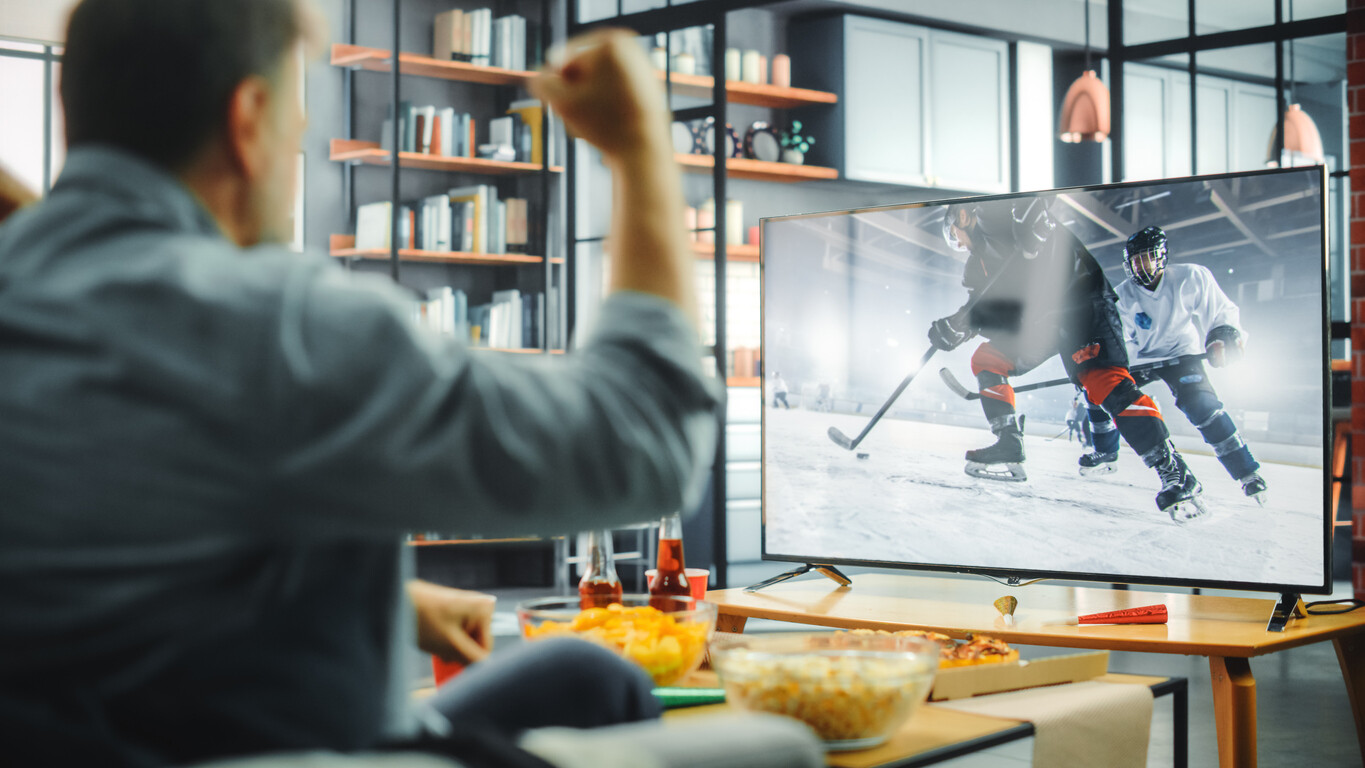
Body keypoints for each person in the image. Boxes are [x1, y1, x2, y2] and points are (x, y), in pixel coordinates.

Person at [0, 3, 728, 767]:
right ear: (248, 120)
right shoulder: (278, 327)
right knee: (771, 746)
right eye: (299, 119)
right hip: (301, 747)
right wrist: (642, 149)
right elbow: (644, 437)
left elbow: (112, 526)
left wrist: (396, 603)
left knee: (587, 676)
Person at [927, 199, 1206, 521]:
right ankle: (1008, 442)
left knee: (1104, 384)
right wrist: (959, 326)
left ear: (963, 216)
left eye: (954, 232)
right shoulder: (977, 265)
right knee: (989, 358)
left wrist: (1036, 229)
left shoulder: (995, 216)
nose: (957, 241)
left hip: (1082, 303)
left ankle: (1175, 471)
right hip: (1041, 321)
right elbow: (991, 309)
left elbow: (1036, 209)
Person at [1081, 226, 1267, 505]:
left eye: (1148, 257)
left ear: (1162, 257)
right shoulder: (1122, 296)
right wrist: (1103, 363)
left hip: (1183, 355)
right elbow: (1120, 338)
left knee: (1203, 408)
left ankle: (1247, 473)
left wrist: (1222, 335)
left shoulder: (1191, 277)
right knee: (1098, 395)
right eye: (1136, 260)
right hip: (1141, 358)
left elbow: (1220, 312)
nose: (1142, 265)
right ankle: (1106, 452)